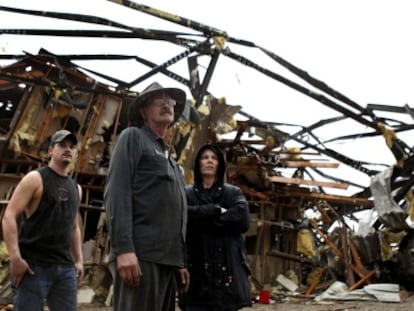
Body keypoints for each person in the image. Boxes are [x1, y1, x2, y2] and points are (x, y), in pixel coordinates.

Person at [104, 81, 190, 311]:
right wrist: (123, 249)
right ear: (144, 111)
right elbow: (117, 193)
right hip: (141, 256)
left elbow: (176, 213)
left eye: (170, 101)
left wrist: (179, 260)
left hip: (166, 260)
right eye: (158, 101)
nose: (167, 105)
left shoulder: (170, 159)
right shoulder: (133, 138)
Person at [2, 129, 84, 311]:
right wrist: (15, 258)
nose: (68, 149)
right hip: (33, 267)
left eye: (72, 147)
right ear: (50, 151)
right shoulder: (35, 179)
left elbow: (73, 228)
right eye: (62, 145)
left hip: (64, 268)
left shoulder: (76, 189)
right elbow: (9, 216)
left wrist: (79, 260)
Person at [179, 143, 252, 311]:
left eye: (213, 158)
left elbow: (242, 220)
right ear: (198, 163)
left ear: (220, 164)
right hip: (196, 268)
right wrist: (215, 210)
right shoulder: (186, 193)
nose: (209, 161)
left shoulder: (232, 193)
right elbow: (179, 217)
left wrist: (200, 221)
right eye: (205, 158)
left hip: (226, 270)